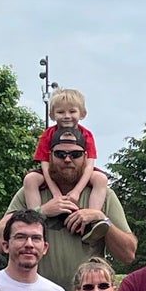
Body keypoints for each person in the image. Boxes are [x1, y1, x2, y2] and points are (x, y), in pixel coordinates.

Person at [0, 127, 136, 291]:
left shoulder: (102, 194)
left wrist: (101, 218)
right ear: (50, 157)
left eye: (75, 154)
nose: (67, 159)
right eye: (60, 154)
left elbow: (128, 254)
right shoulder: (33, 191)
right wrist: (40, 212)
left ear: (85, 157)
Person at [21, 87, 110, 221]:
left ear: (82, 114)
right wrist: (56, 193)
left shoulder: (87, 135)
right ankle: (35, 217)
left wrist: (77, 191)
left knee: (101, 179)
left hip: (80, 171)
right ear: (52, 115)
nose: (67, 116)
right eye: (60, 112)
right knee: (30, 179)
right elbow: (45, 165)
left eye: (72, 111)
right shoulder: (47, 135)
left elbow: (89, 165)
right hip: (53, 171)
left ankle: (93, 218)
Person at [0, 211, 72, 291]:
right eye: (21, 237)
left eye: (36, 238)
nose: (29, 244)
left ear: (45, 248)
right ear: (6, 246)